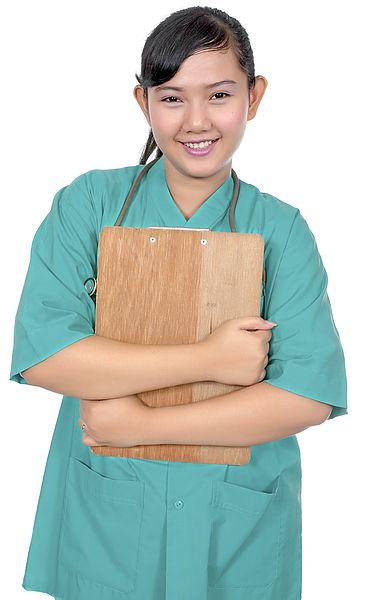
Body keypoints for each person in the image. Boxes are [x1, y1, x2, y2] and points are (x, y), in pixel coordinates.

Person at [9, 6, 347, 600]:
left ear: (255, 95)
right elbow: (46, 354)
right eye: (171, 98)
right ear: (143, 102)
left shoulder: (283, 231)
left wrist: (142, 427)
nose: (197, 121)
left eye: (219, 94)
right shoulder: (90, 205)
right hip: (111, 508)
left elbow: (308, 395)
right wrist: (210, 360)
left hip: (235, 518)